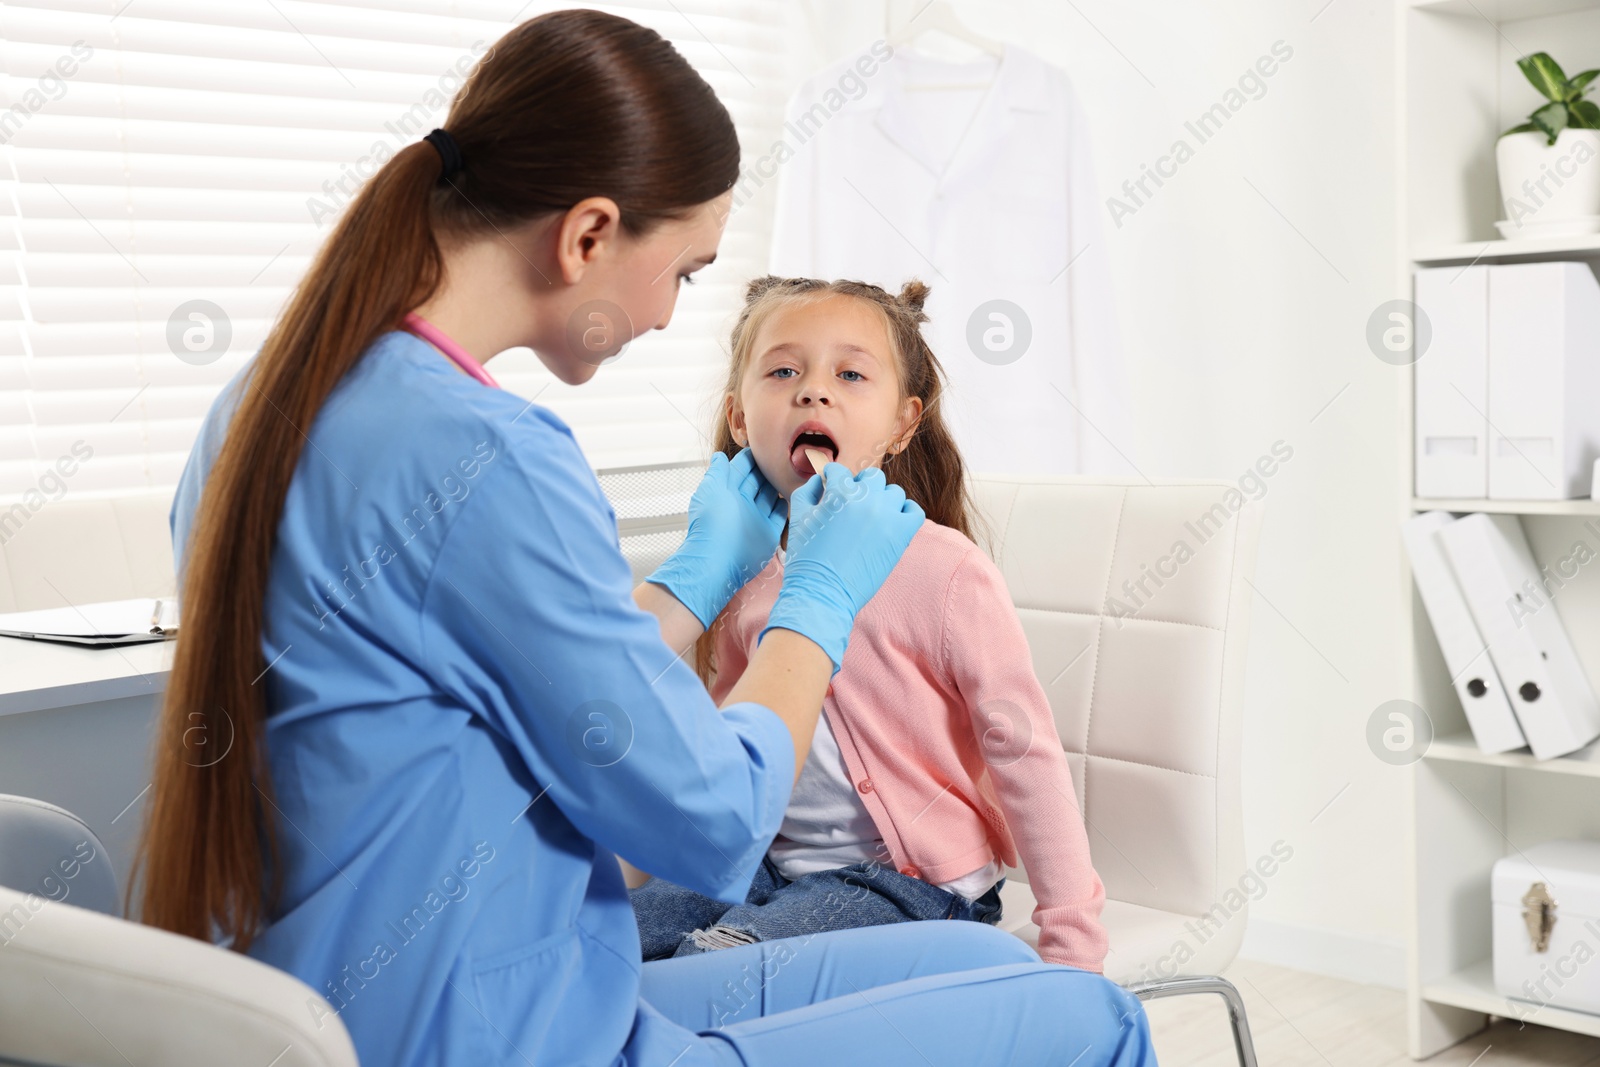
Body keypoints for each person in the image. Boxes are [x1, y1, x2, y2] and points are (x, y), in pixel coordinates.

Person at [130, 10, 1157, 1067]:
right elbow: (712, 816)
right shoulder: (494, 456)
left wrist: (684, 588)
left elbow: (528, 704)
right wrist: (816, 599)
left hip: (390, 995)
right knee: (1100, 1019)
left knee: (986, 968)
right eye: (683, 272)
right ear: (586, 235)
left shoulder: (258, 406)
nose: (671, 315)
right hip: (505, 1035)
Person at [631, 276, 1111, 974]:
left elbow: (1025, 755)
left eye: (850, 373)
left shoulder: (947, 572)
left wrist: (1073, 939)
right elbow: (731, 744)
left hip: (912, 881)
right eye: (783, 370)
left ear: (902, 424)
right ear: (739, 419)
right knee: (599, 934)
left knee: (713, 964)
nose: (813, 390)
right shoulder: (740, 568)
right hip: (769, 865)